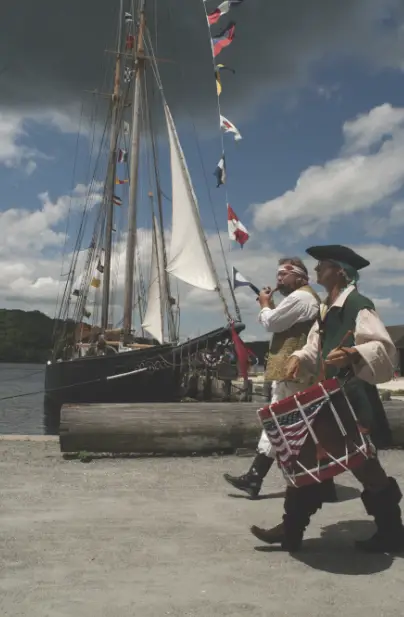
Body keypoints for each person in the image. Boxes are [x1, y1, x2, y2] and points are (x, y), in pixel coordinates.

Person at [250, 244, 404, 553]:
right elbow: (316, 344)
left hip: (352, 396)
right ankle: (291, 531)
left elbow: (383, 348)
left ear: (340, 271)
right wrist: (300, 357)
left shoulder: (358, 304)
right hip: (328, 397)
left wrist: (353, 352)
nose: (317, 269)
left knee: (367, 469)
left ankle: (393, 533)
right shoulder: (326, 308)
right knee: (310, 462)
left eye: (323, 265)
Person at [223, 256, 337, 502]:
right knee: (301, 425)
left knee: (279, 421)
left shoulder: (301, 297)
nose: (279, 279)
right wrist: (271, 305)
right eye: (278, 275)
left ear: (300, 277)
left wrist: (264, 304)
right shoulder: (306, 298)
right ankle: (325, 484)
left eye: (284, 274)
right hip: (298, 370)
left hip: (293, 370)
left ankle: (256, 477)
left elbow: (272, 322)